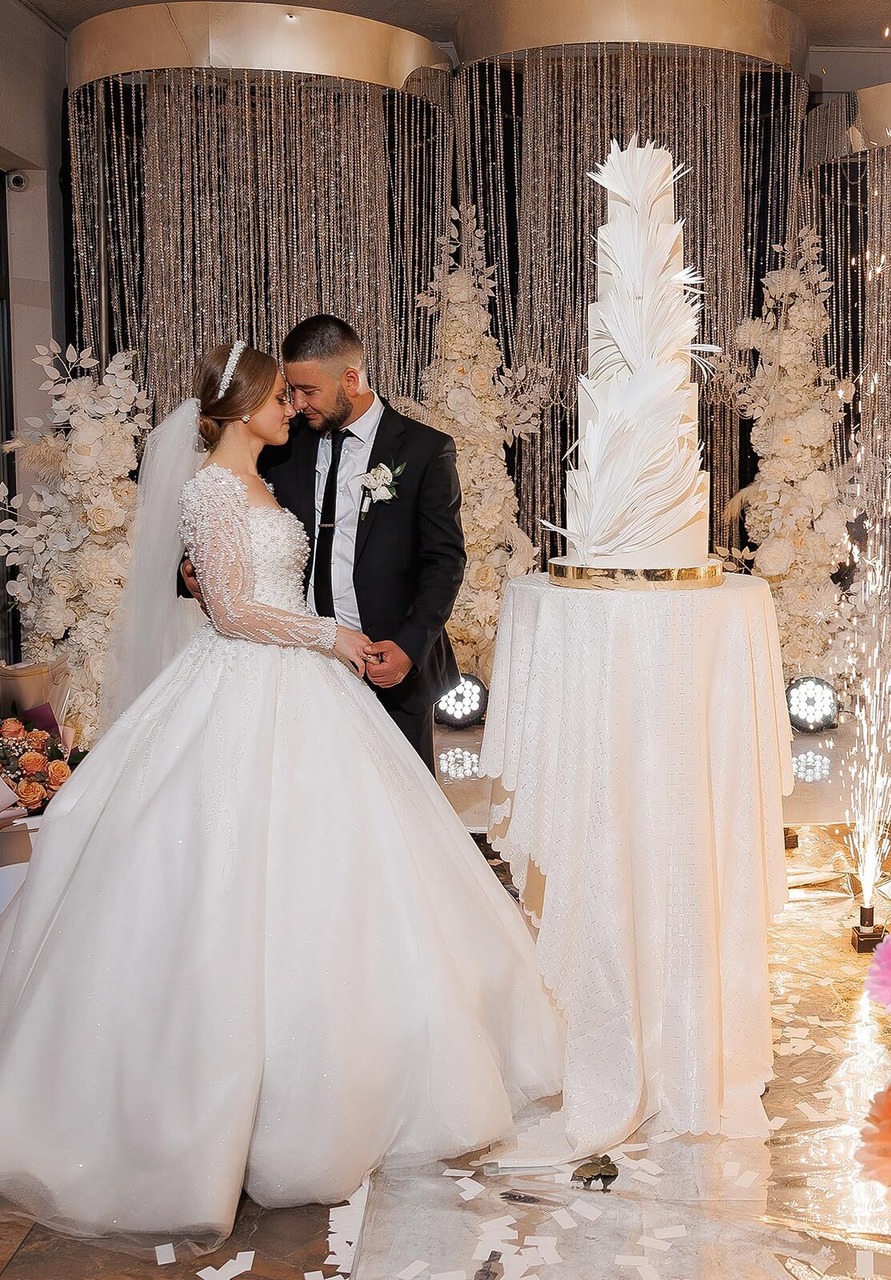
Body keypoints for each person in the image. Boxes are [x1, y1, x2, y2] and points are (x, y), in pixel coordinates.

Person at [0, 343, 562, 1255]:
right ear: (243, 406)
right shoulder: (214, 489)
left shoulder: (272, 475)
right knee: (232, 871)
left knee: (356, 872)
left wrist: (334, 637)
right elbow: (230, 610)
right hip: (253, 680)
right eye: (279, 398)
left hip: (308, 684)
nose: (292, 410)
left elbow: (388, 563)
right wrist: (329, 636)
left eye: (298, 395)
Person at [182, 315, 465, 769]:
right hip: (295, 665)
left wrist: (409, 646)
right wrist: (193, 567)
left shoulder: (423, 450)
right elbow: (225, 504)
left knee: (396, 799)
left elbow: (444, 561)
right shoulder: (282, 443)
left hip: (388, 664)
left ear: (350, 380)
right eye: (289, 392)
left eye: (307, 391)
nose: (296, 405)